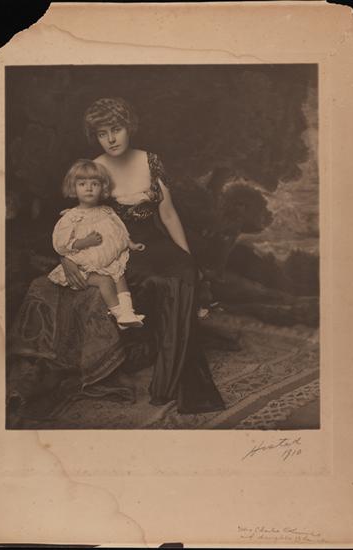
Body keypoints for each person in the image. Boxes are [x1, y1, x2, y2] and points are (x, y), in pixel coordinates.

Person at [60, 97, 225, 413]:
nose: (111, 139)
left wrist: (187, 256)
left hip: (157, 244)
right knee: (162, 282)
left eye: (116, 129)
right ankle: (175, 381)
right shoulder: (95, 168)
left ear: (129, 128)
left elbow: (169, 214)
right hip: (122, 251)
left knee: (184, 273)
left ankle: (171, 376)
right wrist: (68, 256)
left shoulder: (151, 161)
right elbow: (78, 220)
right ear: (95, 136)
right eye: (102, 133)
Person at [48, 159, 145, 329]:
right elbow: (61, 245)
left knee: (119, 276)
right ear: (74, 188)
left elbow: (119, 231)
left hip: (106, 262)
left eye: (95, 184)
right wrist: (85, 242)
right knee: (105, 281)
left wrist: (131, 244)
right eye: (82, 184)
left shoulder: (107, 211)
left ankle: (128, 312)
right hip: (84, 267)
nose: (89, 188)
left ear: (103, 188)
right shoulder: (71, 217)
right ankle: (119, 316)